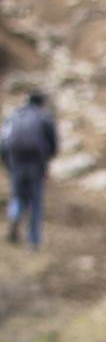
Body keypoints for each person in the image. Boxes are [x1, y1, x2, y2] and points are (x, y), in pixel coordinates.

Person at [1, 89, 58, 250]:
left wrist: (6, 163)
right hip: (36, 164)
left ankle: (14, 215)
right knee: (35, 201)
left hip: (16, 162)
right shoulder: (44, 117)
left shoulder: (14, 115)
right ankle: (33, 240)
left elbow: (3, 141)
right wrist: (46, 161)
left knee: (17, 195)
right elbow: (53, 144)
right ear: (41, 103)